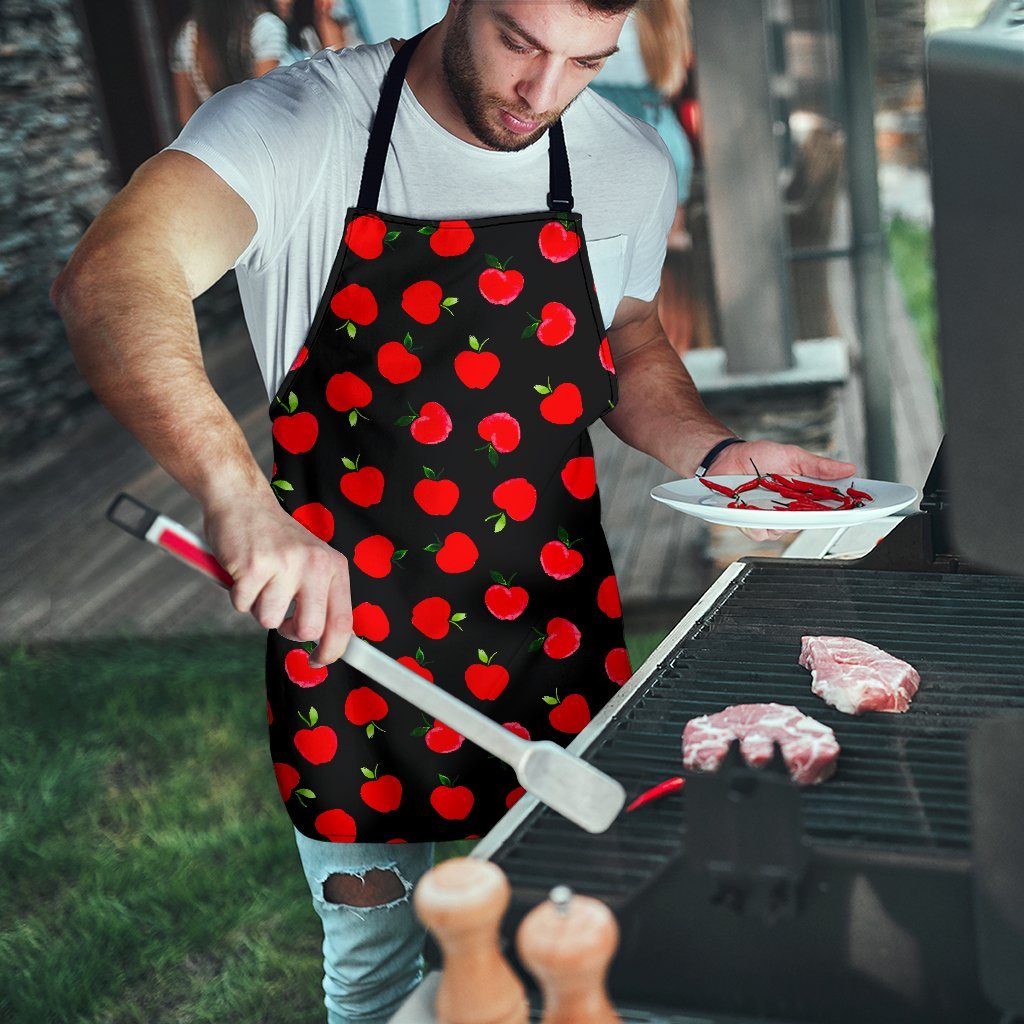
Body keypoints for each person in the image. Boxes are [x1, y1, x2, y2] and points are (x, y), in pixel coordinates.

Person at [52, 2, 855, 1020]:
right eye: (521, 42)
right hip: (348, 654)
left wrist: (715, 449)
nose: (543, 93)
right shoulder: (297, 125)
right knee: (380, 973)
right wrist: (237, 497)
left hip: (551, 634)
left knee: (580, 945)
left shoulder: (625, 160)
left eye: (585, 62)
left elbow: (628, 334)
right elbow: (112, 275)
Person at [170, 0, 289, 126]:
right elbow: (266, 104)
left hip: (216, 138)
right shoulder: (265, 27)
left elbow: (186, 118)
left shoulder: (187, 36)